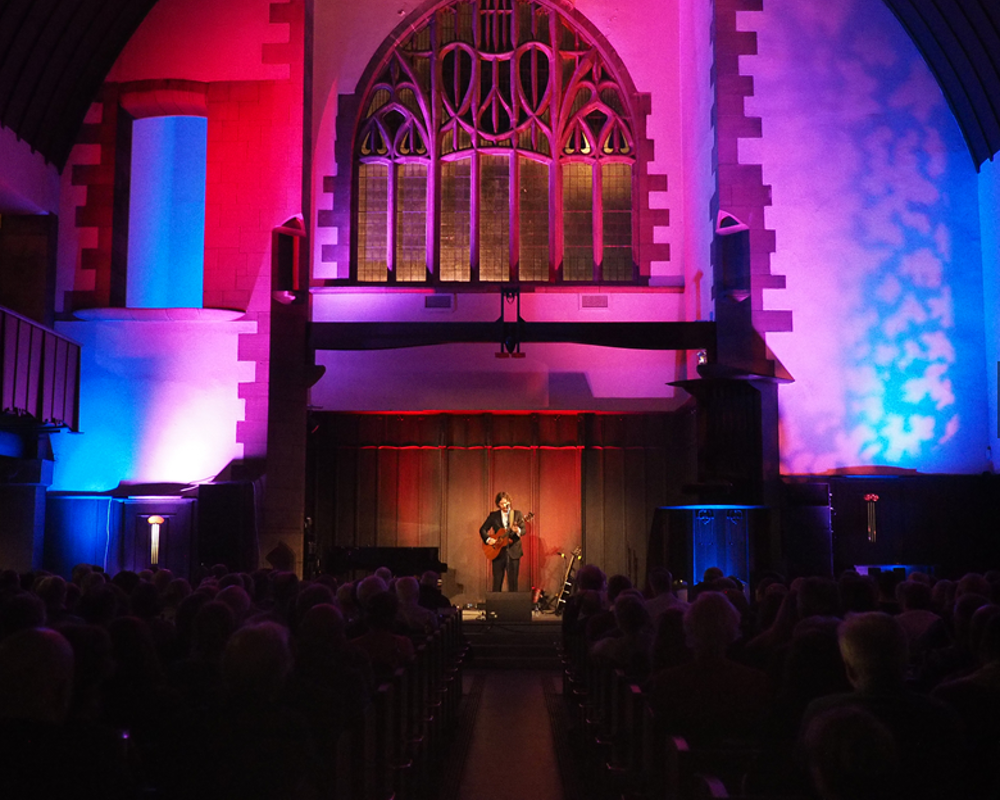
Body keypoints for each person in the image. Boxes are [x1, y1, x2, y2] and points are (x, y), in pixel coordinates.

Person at [479, 491, 527, 592]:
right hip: (498, 552)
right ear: (498, 504)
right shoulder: (494, 516)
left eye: (505, 502)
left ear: (509, 502)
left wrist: (517, 530)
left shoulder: (517, 514)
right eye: (501, 503)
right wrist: (488, 539)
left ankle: (513, 606)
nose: (504, 505)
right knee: (497, 581)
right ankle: (496, 607)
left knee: (513, 582)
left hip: (514, 552)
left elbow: (523, 530)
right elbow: (483, 529)